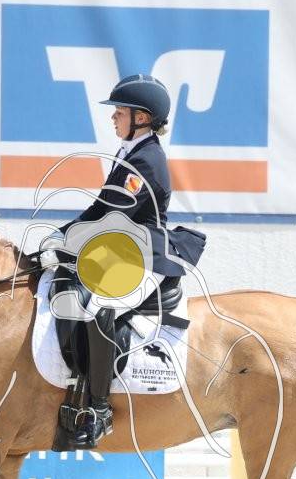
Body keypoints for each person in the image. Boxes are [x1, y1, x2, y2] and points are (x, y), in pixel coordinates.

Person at [39, 74, 206, 449]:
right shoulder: (128, 152)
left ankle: (99, 409)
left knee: (97, 305)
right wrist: (60, 237)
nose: (113, 117)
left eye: (120, 112)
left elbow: (113, 216)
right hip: (120, 249)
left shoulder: (147, 160)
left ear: (141, 118)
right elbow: (100, 207)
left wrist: (67, 243)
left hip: (144, 257)